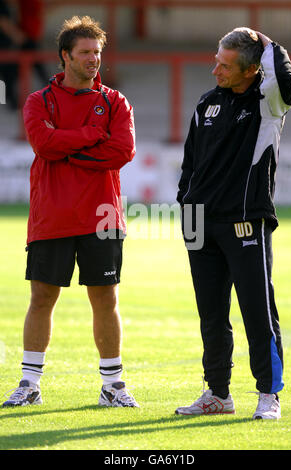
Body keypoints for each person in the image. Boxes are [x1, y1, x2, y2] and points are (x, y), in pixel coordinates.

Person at [3, 16, 139, 408]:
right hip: (53, 214)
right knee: (42, 297)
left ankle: (112, 386)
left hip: (102, 216)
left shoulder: (115, 102)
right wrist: (90, 137)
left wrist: (68, 147)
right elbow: (44, 145)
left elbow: (122, 152)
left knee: (105, 299)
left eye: (98, 52)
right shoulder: (37, 101)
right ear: (65, 56)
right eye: (86, 53)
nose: (94, 59)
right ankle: (29, 383)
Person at [175, 28, 291, 420]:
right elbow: (190, 163)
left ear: (249, 71)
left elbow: (285, 79)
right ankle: (217, 394)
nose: (215, 71)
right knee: (210, 313)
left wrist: (266, 42)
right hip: (199, 222)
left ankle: (268, 394)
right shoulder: (207, 103)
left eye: (225, 65)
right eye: (216, 61)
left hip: (246, 220)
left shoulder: (268, 104)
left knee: (258, 312)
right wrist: (186, 205)